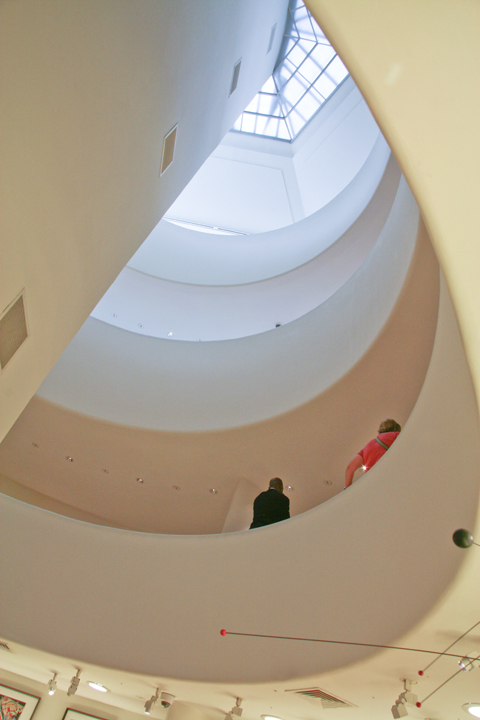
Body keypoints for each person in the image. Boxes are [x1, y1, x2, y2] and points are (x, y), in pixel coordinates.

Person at [344, 419, 401, 489]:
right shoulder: (396, 435)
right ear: (395, 429)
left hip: (374, 485)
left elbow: (350, 468)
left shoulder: (367, 447)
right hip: (392, 477)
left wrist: (347, 489)